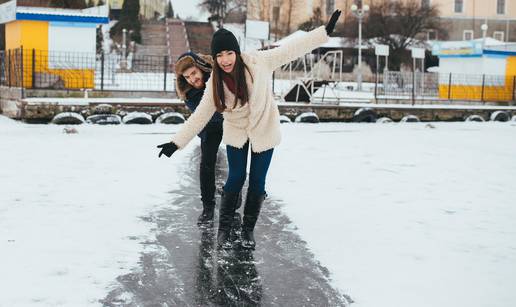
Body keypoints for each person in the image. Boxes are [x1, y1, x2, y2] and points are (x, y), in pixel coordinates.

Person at [158, 10, 342, 250]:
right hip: (237, 132)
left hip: (264, 129)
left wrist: (323, 33)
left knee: (257, 181)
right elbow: (199, 117)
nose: (225, 60)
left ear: (236, 52)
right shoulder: (215, 81)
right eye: (220, 55)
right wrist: (176, 142)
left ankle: (247, 231)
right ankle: (224, 230)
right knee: (236, 177)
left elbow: (291, 49)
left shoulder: (259, 61)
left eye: (229, 53)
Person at [174, 52, 224, 227]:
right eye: (187, 77)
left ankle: (233, 195)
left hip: (231, 123)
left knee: (237, 158)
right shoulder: (189, 93)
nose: (192, 79)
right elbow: (212, 115)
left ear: (202, 68)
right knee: (207, 164)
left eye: (194, 73)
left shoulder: (218, 77)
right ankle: (208, 207)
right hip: (209, 126)